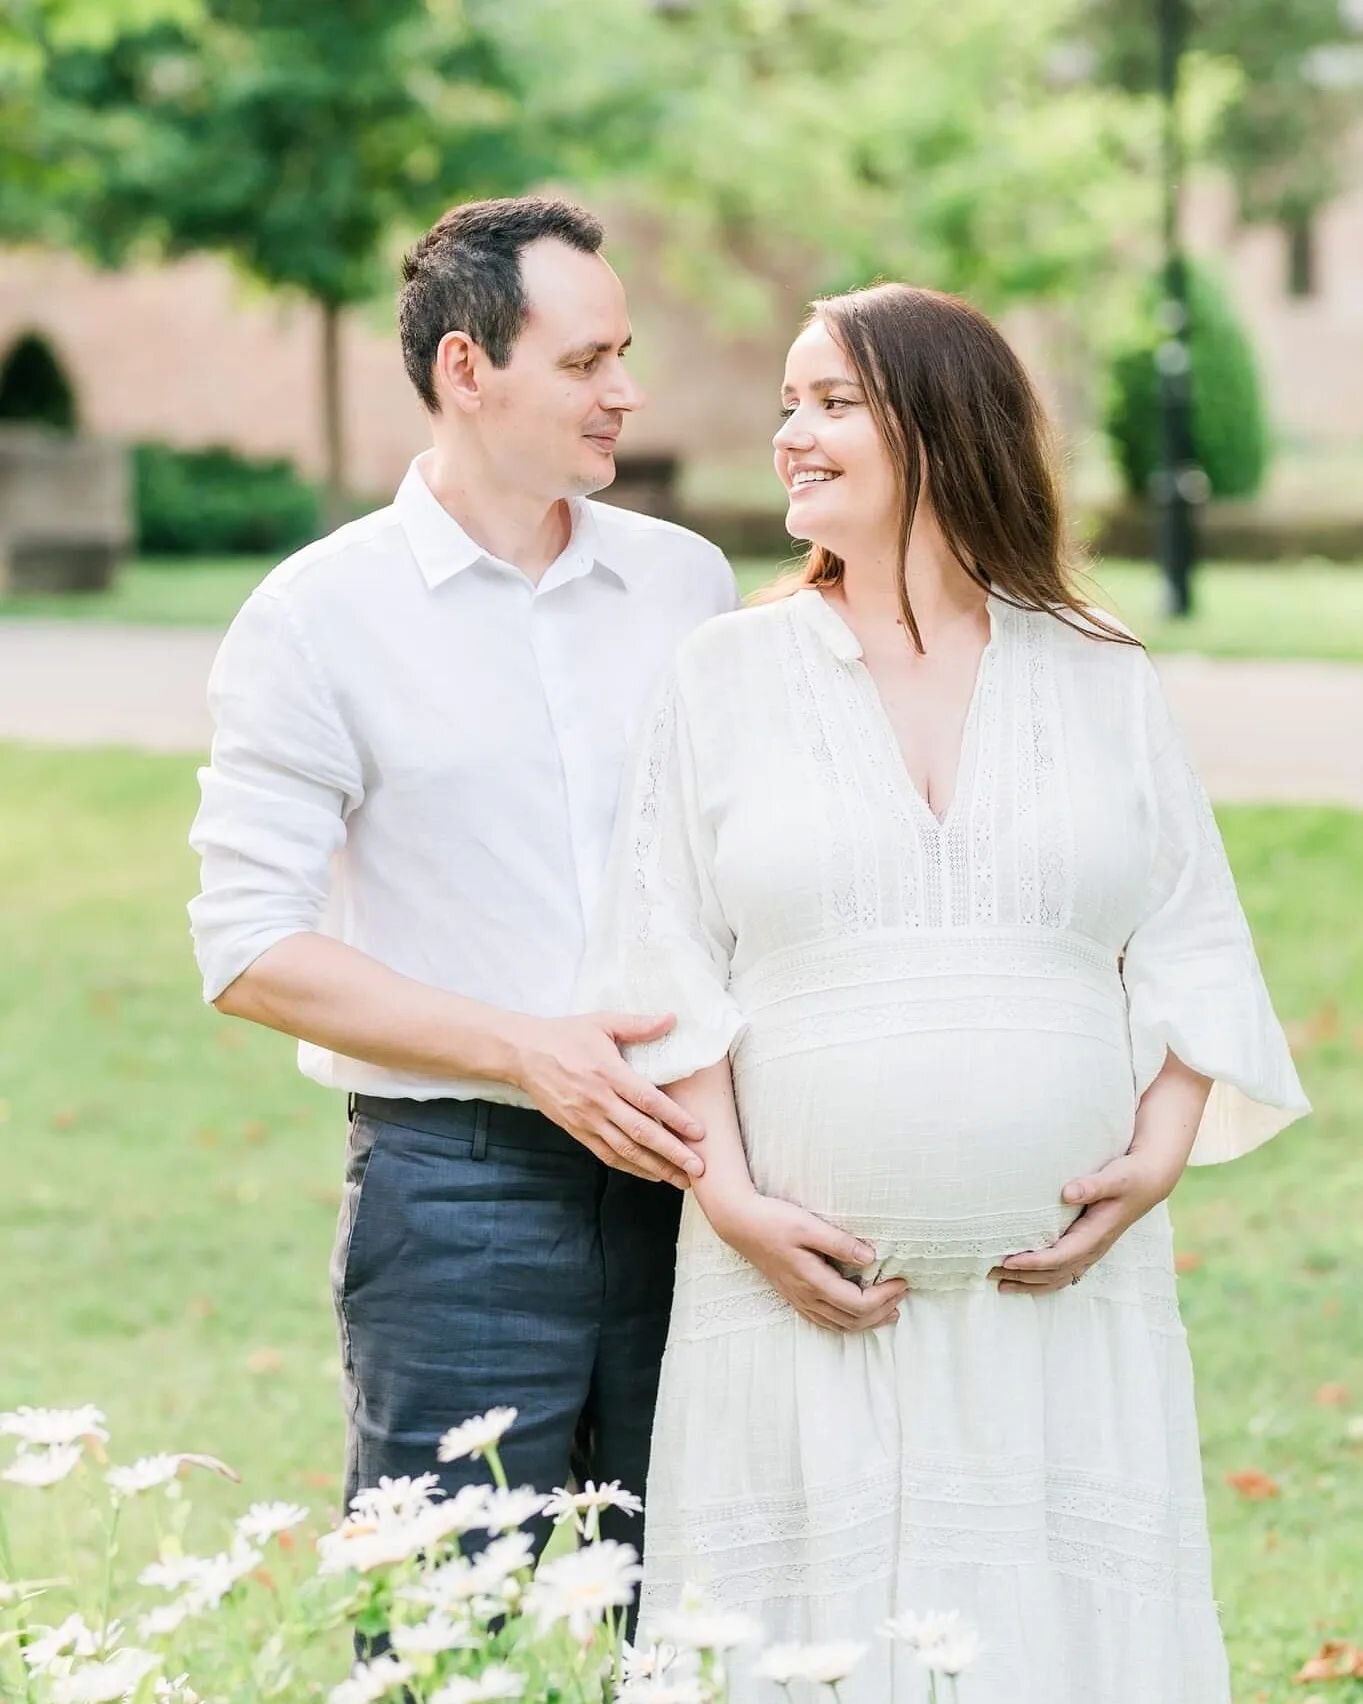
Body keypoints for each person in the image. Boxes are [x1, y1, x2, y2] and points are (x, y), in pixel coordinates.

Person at [579, 282, 1310, 1701]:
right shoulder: (722, 677)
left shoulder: (1099, 677)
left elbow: (1192, 937)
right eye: (791, 402)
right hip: (792, 1301)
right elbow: (663, 958)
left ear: (942, 423)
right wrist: (726, 1198)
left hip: (1062, 1313)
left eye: (834, 401)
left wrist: (1157, 1158)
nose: (794, 432)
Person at [187, 195, 755, 1547]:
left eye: (622, 355)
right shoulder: (317, 618)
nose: (623, 394)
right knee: (450, 1625)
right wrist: (527, 1051)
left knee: (697, 1619)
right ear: (465, 366)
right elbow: (249, 949)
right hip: (460, 1193)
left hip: (701, 1177)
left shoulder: (690, 588)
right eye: (582, 364)